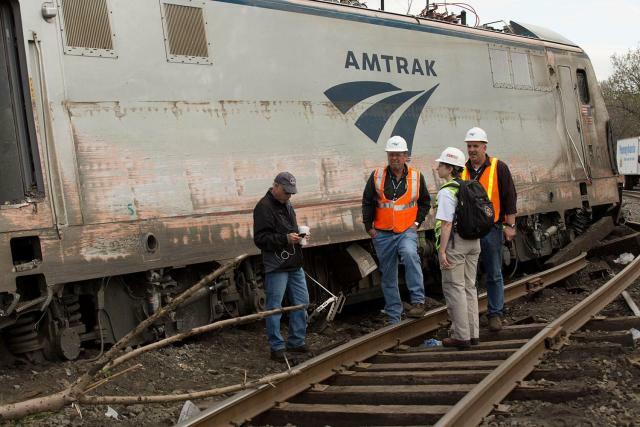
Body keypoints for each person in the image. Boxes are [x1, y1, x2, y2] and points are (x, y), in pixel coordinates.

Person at [362, 135, 431, 324]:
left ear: (405, 156)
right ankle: (394, 316)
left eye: (398, 155)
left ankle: (418, 302)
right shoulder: (377, 176)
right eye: (391, 155)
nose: (394, 158)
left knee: (410, 255)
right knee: (388, 274)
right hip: (382, 233)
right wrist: (369, 228)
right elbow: (367, 201)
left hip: (406, 230)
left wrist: (416, 223)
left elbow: (425, 202)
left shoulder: (416, 177)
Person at [463, 127, 518, 331]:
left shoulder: (498, 167)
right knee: (470, 275)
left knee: (494, 272)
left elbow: (509, 196)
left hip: (491, 228)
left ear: (484, 147)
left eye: (476, 146)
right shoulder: (462, 169)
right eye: (469, 146)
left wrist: (510, 225)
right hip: (468, 231)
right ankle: (471, 315)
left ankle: (495, 313)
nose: (472, 150)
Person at [253, 172, 310, 362]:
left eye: (291, 193)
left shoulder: (287, 204)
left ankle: (296, 341)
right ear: (275, 186)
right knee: (274, 307)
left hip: (293, 261)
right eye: (286, 192)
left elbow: (286, 229)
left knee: (302, 301)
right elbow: (260, 239)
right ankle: (276, 347)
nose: (289, 196)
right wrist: (286, 239)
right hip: (276, 264)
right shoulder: (263, 207)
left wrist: (298, 237)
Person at [434, 147, 481, 349]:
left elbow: (445, 224)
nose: (437, 168)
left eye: (440, 165)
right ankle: (473, 334)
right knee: (470, 288)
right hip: (474, 242)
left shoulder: (447, 191)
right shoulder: (470, 185)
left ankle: (461, 336)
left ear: (450, 168)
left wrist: (442, 251)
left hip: (456, 244)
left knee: (455, 289)